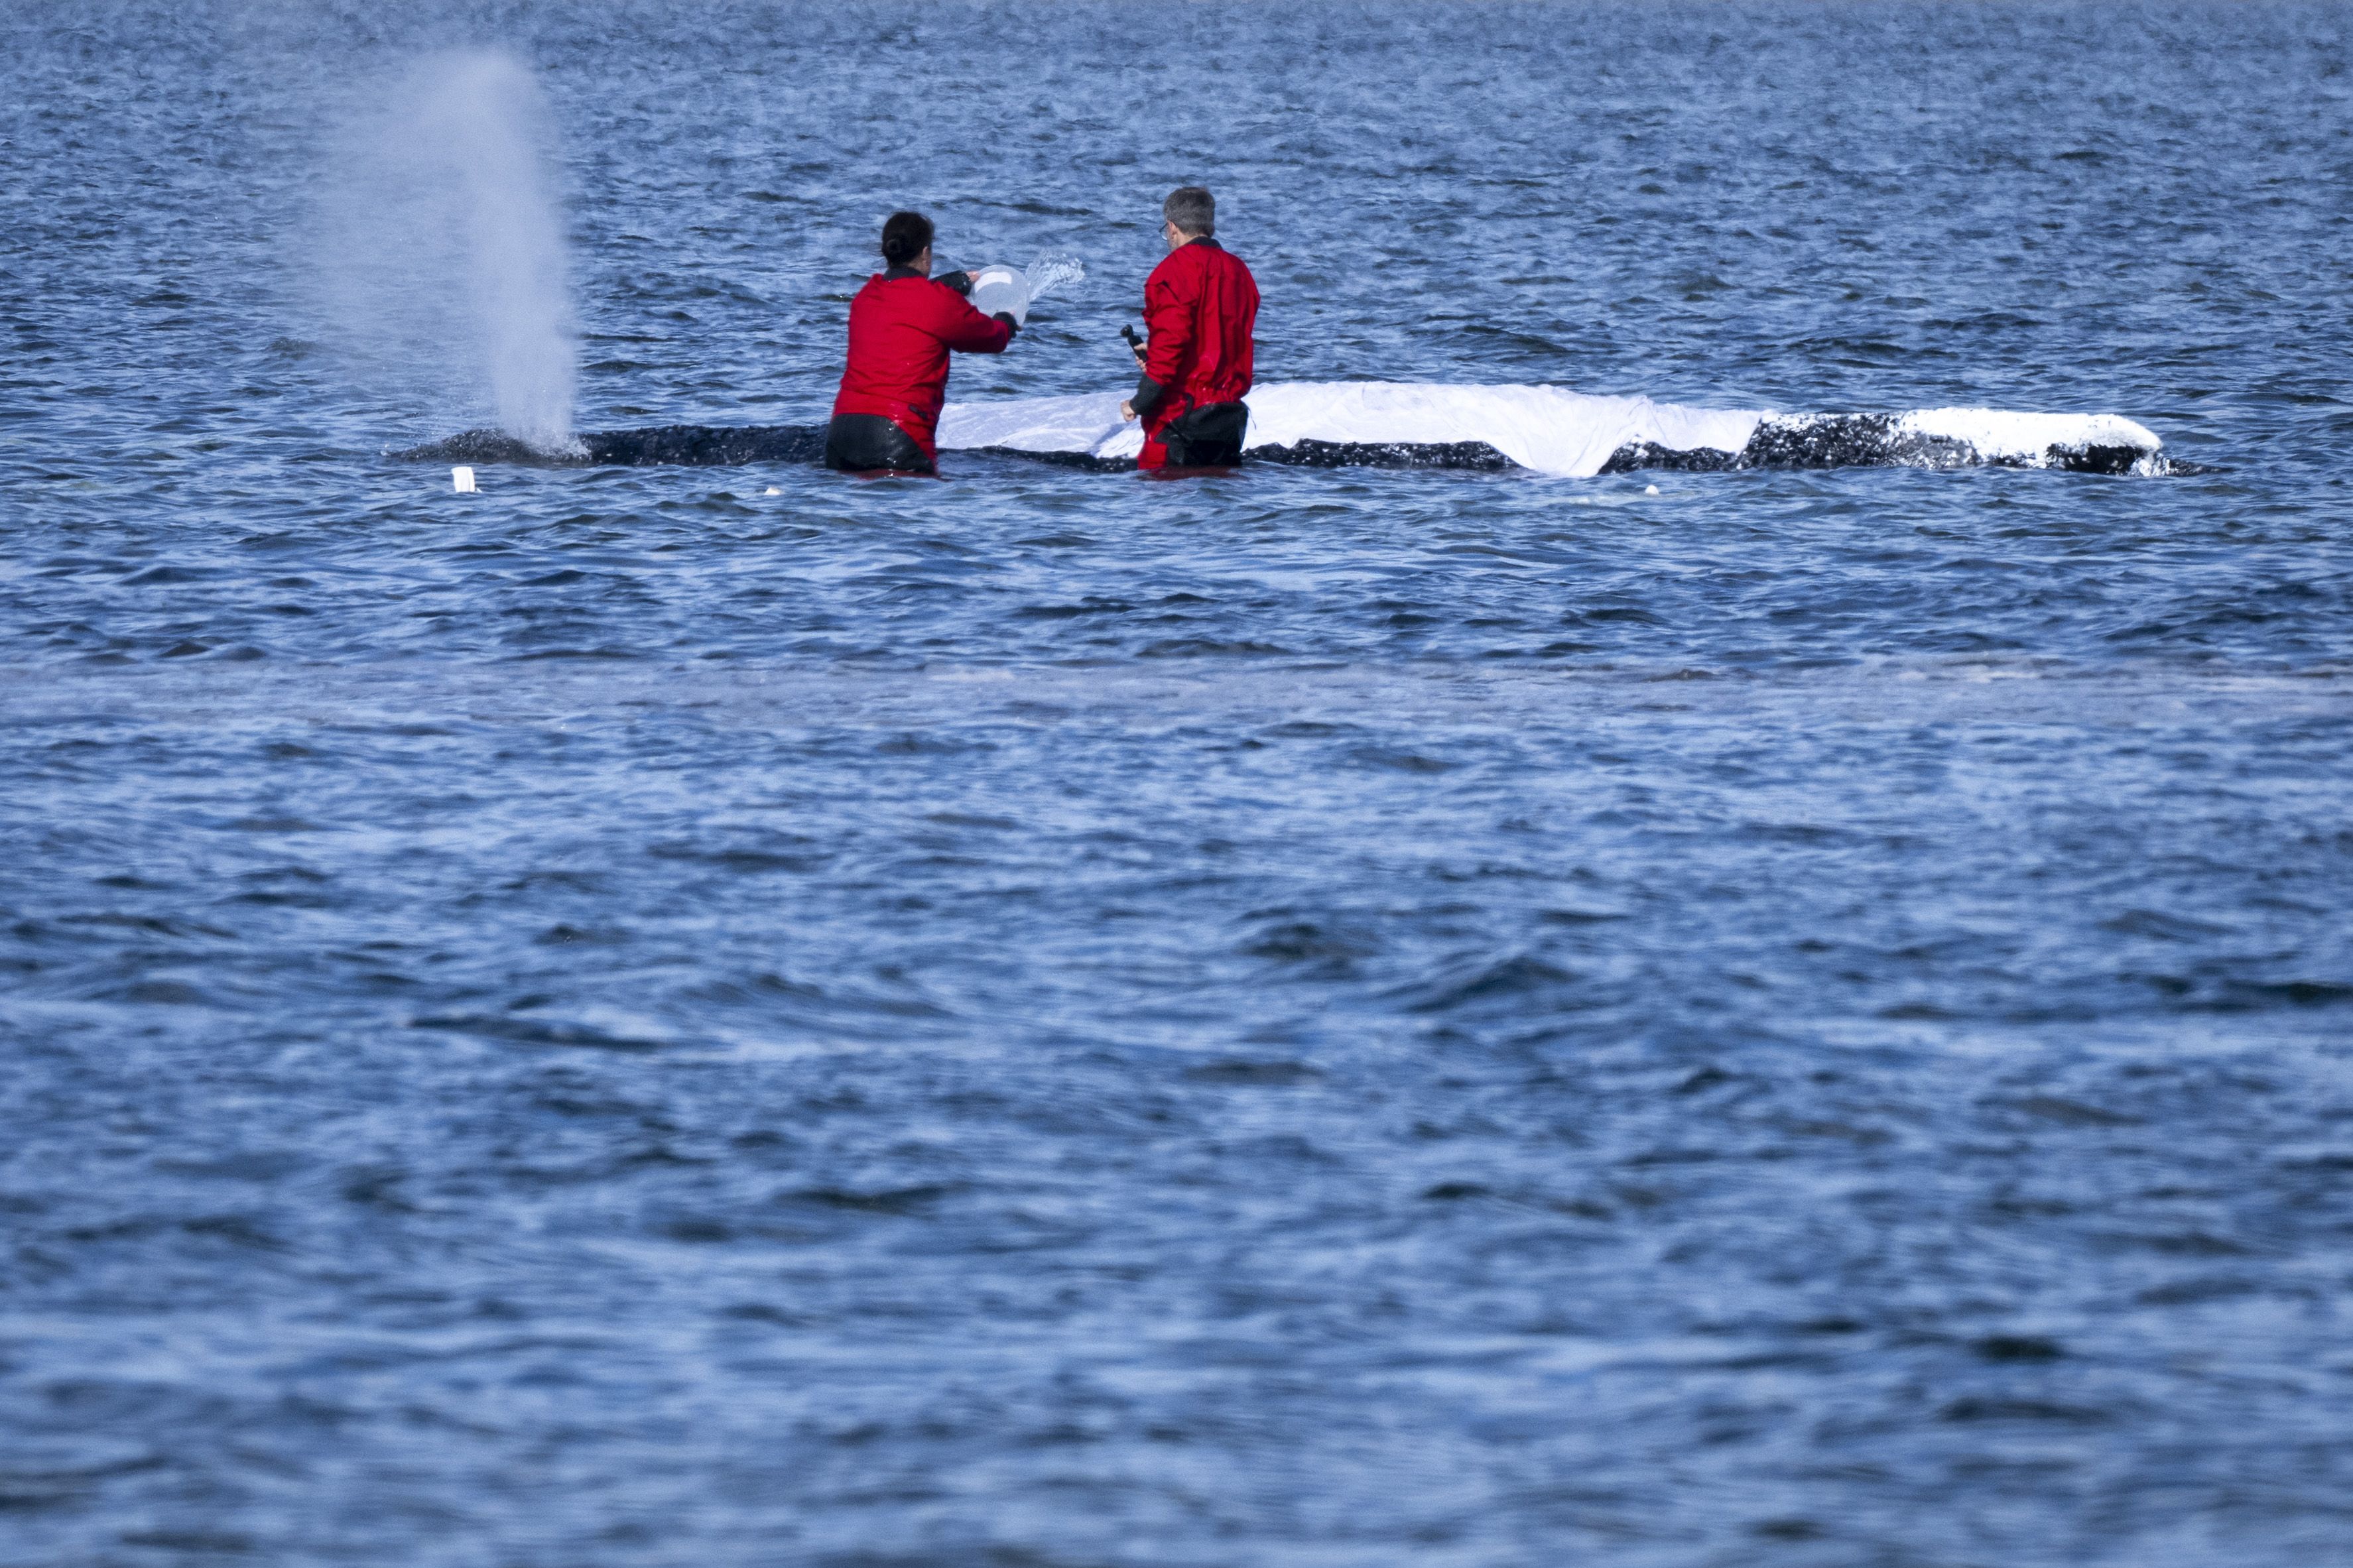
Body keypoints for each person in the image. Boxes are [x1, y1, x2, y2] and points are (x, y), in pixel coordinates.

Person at [825, 210, 1019, 475]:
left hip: (842, 433)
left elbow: (906, 300)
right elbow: (992, 338)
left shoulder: (865, 296)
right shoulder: (939, 302)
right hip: (898, 435)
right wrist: (1008, 319)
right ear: (926, 253)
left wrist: (949, 284)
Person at [1121, 186, 1259, 471]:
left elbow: (1169, 354)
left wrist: (1138, 404)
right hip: (1228, 419)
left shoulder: (1172, 272)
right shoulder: (1240, 271)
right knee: (1221, 491)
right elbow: (1219, 336)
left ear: (1172, 227)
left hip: (1180, 418)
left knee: (1159, 489)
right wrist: (1156, 351)